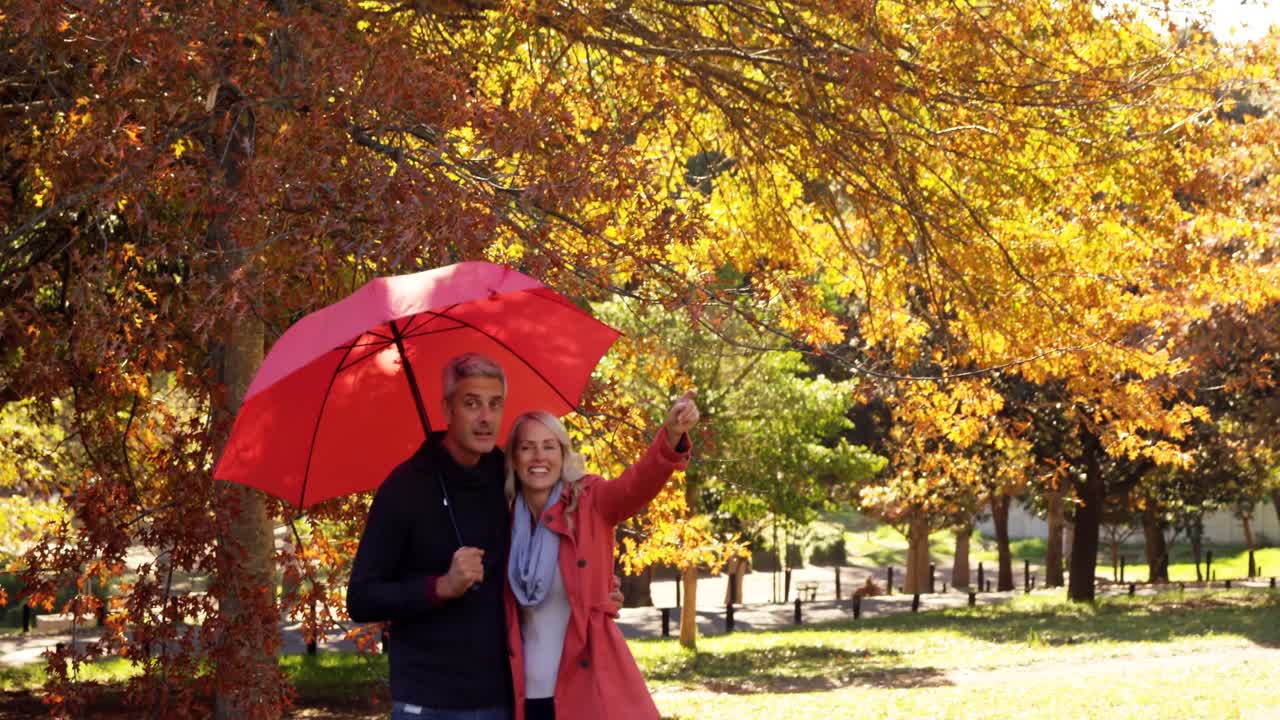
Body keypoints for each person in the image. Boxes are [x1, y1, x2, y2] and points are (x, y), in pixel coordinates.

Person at [504, 390, 700, 720]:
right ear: (514, 458)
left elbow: (635, 485)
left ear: (563, 454)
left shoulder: (589, 499)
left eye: (549, 446)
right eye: (527, 447)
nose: (539, 457)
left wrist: (671, 435)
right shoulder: (502, 520)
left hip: (584, 690)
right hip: (520, 695)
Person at [347, 352, 514, 720]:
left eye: (495, 404)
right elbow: (361, 597)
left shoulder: (510, 479)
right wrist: (440, 587)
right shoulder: (406, 487)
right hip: (427, 701)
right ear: (447, 409)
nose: (486, 418)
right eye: (472, 404)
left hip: (500, 699)